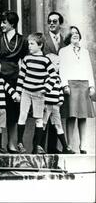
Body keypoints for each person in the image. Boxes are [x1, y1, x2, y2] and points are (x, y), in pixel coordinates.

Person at [0, 11, 28, 153]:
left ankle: (11, 144)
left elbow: (23, 63)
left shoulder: (22, 40)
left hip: (15, 79)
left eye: (5, 22)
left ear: (13, 24)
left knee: (12, 112)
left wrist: (22, 82)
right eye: (1, 22)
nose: (1, 25)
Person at [16, 33, 58, 154]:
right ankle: (20, 142)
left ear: (40, 45)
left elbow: (54, 75)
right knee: (22, 115)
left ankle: (38, 146)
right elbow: (21, 77)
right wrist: (18, 92)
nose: (29, 46)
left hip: (39, 94)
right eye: (29, 43)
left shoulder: (45, 60)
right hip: (26, 92)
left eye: (32, 44)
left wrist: (47, 88)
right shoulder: (27, 59)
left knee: (39, 119)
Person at [59, 26, 95, 154]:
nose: (75, 35)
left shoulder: (85, 51)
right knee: (71, 115)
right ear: (68, 37)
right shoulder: (63, 51)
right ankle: (69, 145)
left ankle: (83, 145)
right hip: (71, 84)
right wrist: (65, 85)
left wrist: (91, 86)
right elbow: (62, 69)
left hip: (84, 85)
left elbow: (88, 68)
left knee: (83, 116)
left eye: (77, 33)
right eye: (72, 33)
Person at [42, 11, 66, 153]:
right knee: (45, 114)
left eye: (54, 21)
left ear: (60, 24)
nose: (51, 23)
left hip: (59, 81)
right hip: (46, 80)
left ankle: (53, 147)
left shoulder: (65, 41)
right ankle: (40, 146)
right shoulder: (43, 40)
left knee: (56, 113)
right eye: (49, 21)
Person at [43, 54, 74, 154]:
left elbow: (59, 90)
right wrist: (43, 102)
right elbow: (43, 91)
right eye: (57, 64)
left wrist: (60, 99)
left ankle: (65, 147)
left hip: (55, 106)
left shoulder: (58, 78)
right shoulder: (45, 77)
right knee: (42, 125)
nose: (59, 66)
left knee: (58, 125)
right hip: (47, 105)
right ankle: (39, 147)